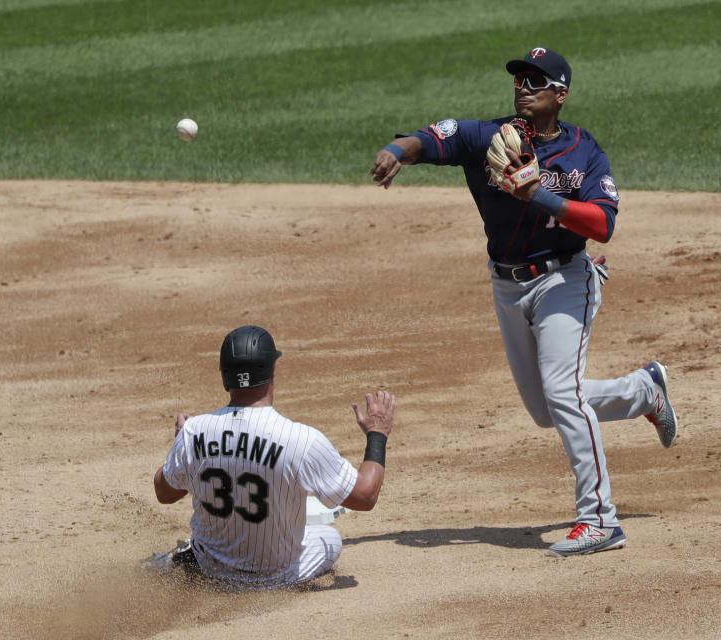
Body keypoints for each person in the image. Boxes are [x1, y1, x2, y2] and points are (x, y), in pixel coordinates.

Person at [369, 47, 678, 557]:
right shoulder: (486, 138)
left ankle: (600, 519)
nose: (523, 88)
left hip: (566, 280)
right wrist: (395, 152)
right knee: (545, 409)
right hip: (508, 286)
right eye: (519, 80)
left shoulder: (584, 151)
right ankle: (644, 392)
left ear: (561, 94)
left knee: (562, 392)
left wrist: (538, 194)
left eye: (536, 82)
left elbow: (603, 225)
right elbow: (427, 138)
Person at [146, 325, 396, 588]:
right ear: (272, 371)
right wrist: (377, 434)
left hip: (211, 571)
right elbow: (365, 496)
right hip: (275, 577)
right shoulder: (301, 439)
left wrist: (181, 443)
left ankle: (190, 556)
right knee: (329, 538)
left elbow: (165, 493)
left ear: (224, 376)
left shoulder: (194, 431)